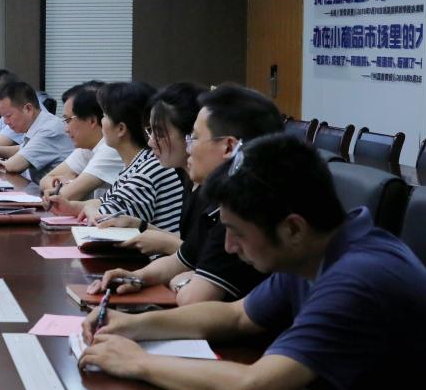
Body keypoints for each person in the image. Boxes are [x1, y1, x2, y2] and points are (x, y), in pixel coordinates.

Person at [78, 134, 426, 390]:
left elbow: (255, 388)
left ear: (292, 229)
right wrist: (133, 325)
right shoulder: (316, 247)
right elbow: (237, 316)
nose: (229, 247)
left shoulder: (356, 278)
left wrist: (138, 363)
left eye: (237, 232)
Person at [91, 83, 281, 303]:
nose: (189, 146)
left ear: (229, 147)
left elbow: (195, 297)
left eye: (194, 137)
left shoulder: (239, 210)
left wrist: (183, 280)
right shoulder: (214, 197)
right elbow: (182, 259)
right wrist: (136, 277)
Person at [45, 81, 185, 232]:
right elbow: (106, 202)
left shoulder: (148, 170)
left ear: (121, 129)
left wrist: (90, 209)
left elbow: (105, 221)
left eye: (104, 116)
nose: (100, 122)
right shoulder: (139, 162)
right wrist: (72, 207)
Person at [37, 81, 124, 201]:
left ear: (92, 121)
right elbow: (44, 181)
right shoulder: (87, 147)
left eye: (68, 120)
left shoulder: (111, 149)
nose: (66, 129)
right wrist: (67, 185)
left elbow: (66, 196)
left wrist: (68, 185)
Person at [0, 79, 73, 182]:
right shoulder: (36, 124)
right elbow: (23, 149)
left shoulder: (49, 129)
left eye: (8, 116)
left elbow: (14, 165)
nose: (6, 122)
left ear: (28, 109)